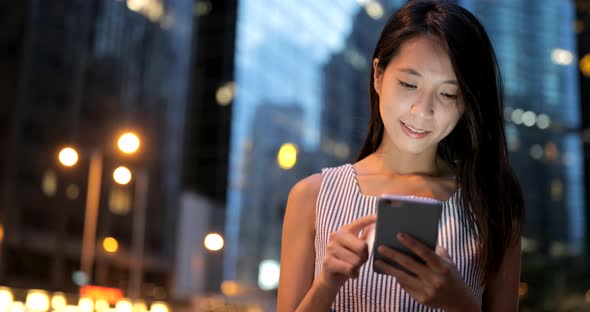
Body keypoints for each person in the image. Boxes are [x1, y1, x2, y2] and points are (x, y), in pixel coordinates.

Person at [277, 0, 525, 311]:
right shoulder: (313, 197)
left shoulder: (492, 204)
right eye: (409, 84)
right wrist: (326, 284)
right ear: (378, 75)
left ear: (466, 104)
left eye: (448, 93)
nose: (422, 111)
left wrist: (459, 302)